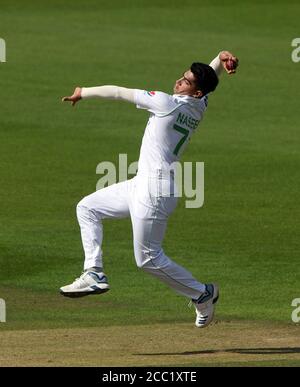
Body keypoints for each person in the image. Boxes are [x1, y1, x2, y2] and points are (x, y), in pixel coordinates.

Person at [61, 51, 239, 328]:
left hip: (154, 191)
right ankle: (93, 273)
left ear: (196, 91)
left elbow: (120, 92)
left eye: (186, 81)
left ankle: (202, 293)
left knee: (146, 259)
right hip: (142, 184)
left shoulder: (165, 103)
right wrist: (218, 59)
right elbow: (209, 81)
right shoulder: (198, 106)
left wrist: (83, 92)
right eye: (182, 76)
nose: (178, 81)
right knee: (88, 207)